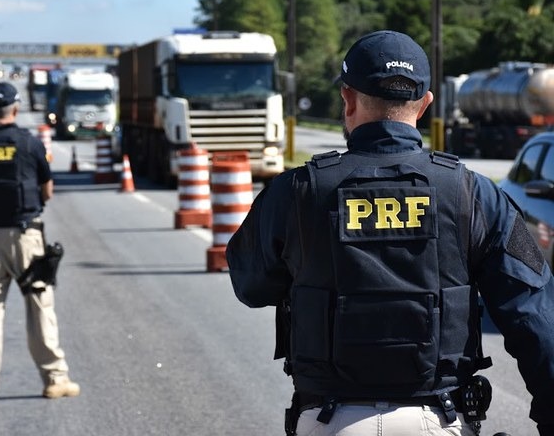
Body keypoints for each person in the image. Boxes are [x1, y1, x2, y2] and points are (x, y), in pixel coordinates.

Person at [226, 30, 554, 436]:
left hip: (329, 420)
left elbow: (250, 285)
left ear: (347, 98)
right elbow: (536, 318)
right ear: (425, 105)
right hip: (441, 419)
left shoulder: (296, 191)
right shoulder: (474, 194)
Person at [0, 81, 79, 403]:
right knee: (39, 305)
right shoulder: (29, 143)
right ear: (15, 108)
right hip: (26, 236)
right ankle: (55, 379)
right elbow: (47, 190)